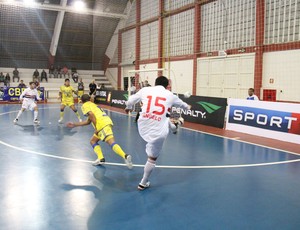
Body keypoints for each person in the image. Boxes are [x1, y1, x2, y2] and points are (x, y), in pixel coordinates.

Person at [125, 76, 190, 190]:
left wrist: (128, 108)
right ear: (166, 85)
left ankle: (174, 126)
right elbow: (185, 106)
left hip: (143, 125)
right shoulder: (171, 95)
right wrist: (188, 106)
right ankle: (143, 182)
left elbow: (130, 100)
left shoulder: (145, 90)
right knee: (152, 158)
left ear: (155, 83)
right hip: (158, 130)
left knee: (166, 118)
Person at [66, 94, 133, 168]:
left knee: (111, 142)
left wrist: (96, 129)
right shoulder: (93, 105)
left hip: (101, 125)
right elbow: (88, 121)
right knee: (93, 141)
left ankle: (125, 156)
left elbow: (91, 115)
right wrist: (74, 124)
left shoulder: (85, 106)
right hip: (105, 122)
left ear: (82, 101)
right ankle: (101, 158)